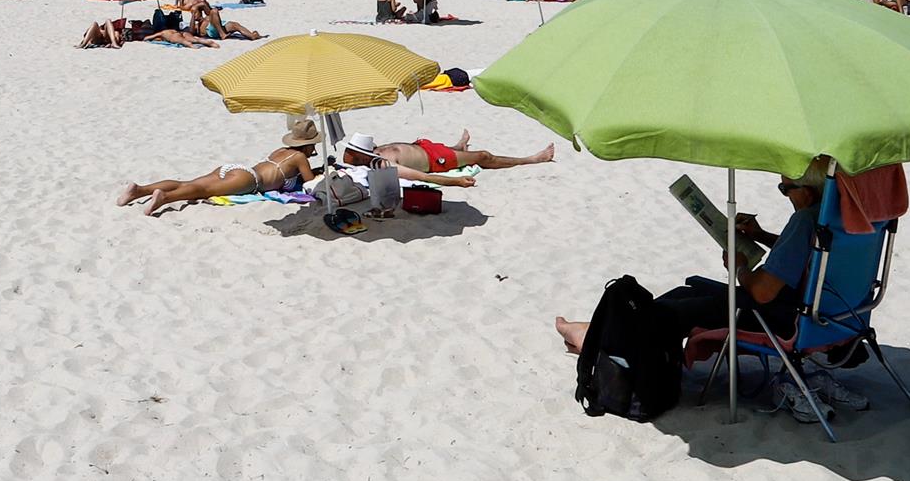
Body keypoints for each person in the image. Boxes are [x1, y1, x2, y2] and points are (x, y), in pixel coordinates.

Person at [554, 159, 865, 423]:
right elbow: (813, 257)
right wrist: (761, 236)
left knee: (670, 313)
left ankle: (593, 337)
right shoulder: (849, 219)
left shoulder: (804, 221)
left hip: (784, 318)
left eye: (786, 189)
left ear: (807, 193)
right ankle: (599, 331)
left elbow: (763, 293)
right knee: (683, 291)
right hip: (836, 315)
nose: (785, 194)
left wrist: (739, 267)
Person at [116, 119, 322, 216]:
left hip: (237, 169)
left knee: (189, 183)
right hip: (251, 181)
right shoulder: (299, 157)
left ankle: (139, 190)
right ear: (309, 144)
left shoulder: (282, 150)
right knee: (202, 191)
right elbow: (310, 181)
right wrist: (317, 166)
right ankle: (165, 198)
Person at [342, 130, 554, 185]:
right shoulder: (382, 164)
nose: (348, 153)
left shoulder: (375, 152)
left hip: (424, 147)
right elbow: (420, 177)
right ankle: (533, 159)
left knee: (460, 151)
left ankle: (458, 146)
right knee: (483, 156)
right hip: (436, 160)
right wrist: (456, 181)